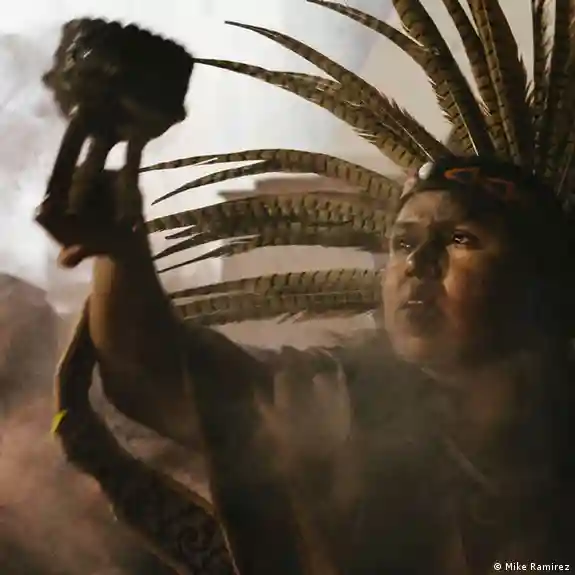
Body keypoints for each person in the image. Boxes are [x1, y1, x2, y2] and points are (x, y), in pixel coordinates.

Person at [43, 1, 575, 573]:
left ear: (538, 286)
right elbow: (157, 375)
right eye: (402, 243)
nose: (417, 263)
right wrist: (122, 251)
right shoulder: (342, 403)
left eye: (460, 239)